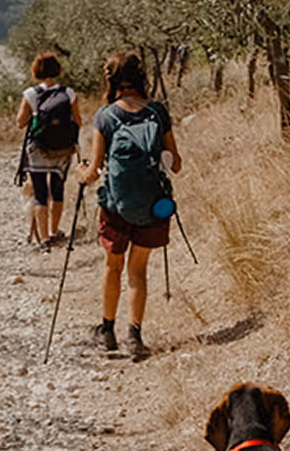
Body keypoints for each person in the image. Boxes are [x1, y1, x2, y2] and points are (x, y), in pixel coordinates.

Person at [76, 50, 180, 359]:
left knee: (113, 266)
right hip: (153, 205)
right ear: (140, 76)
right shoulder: (158, 113)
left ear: (112, 80)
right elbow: (176, 164)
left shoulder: (105, 116)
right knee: (138, 270)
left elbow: (94, 172)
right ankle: (134, 336)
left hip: (115, 205)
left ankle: (107, 331)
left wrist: (82, 173)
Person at [17, 52, 79, 247]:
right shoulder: (69, 93)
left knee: (40, 192)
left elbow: (20, 122)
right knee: (57, 190)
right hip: (63, 149)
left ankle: (43, 239)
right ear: (57, 70)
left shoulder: (31, 94)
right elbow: (78, 121)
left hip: (38, 149)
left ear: (36, 71)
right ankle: (54, 231)